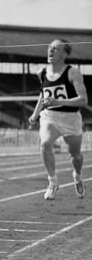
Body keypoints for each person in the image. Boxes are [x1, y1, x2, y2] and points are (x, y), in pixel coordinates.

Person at [28, 39, 86, 200]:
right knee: (45, 143)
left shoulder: (73, 73)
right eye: (49, 48)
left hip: (71, 119)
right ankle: (53, 181)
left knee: (76, 156)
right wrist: (35, 114)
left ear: (65, 54)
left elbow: (83, 100)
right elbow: (43, 94)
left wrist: (58, 101)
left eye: (55, 49)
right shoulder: (41, 72)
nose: (50, 51)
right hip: (50, 116)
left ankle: (78, 176)